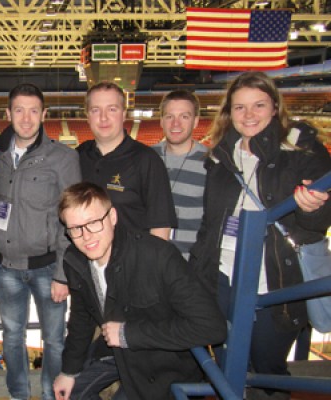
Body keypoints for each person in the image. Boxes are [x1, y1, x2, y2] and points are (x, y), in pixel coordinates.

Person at [189, 71, 331, 400]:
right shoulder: (220, 156)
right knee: (226, 364)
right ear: (229, 113)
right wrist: (197, 278)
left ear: (274, 107)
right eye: (239, 108)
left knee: (268, 369)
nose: (249, 115)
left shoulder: (301, 150)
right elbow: (210, 226)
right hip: (222, 278)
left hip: (276, 280)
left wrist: (312, 208)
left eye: (258, 105)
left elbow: (316, 225)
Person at [53, 182, 227, 400]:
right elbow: (81, 317)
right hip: (116, 355)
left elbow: (212, 327)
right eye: (75, 228)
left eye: (93, 223)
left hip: (163, 362)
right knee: (68, 393)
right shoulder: (75, 260)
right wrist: (69, 371)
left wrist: (128, 334)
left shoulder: (157, 256)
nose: (86, 236)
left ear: (112, 217)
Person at [0, 83, 81, 400]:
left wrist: (62, 272)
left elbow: (73, 219)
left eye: (33, 111)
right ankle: (18, 394)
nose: (26, 119)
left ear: (44, 114)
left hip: (47, 270)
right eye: (19, 110)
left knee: (54, 340)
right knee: (12, 336)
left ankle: (50, 394)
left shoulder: (63, 158)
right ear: (8, 114)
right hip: (5, 268)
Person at [77, 81, 176, 241]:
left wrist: (152, 265)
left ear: (124, 114)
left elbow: (160, 226)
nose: (103, 117)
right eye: (96, 110)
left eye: (112, 109)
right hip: (84, 262)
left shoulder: (147, 160)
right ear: (88, 116)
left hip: (133, 263)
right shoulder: (78, 156)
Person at [152, 90, 208, 259]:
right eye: (169, 117)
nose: (175, 124)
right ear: (161, 121)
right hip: (150, 263)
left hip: (191, 265)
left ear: (196, 121)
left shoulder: (211, 163)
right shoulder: (145, 158)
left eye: (184, 116)